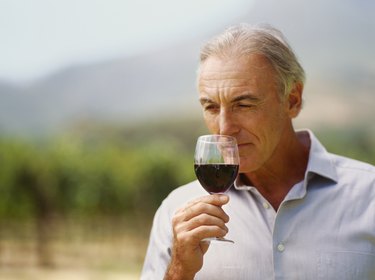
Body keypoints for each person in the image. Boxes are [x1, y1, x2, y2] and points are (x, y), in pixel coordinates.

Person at [141, 23, 375, 279]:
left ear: (292, 100)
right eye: (210, 107)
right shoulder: (176, 211)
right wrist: (179, 270)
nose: (224, 128)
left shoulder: (369, 196)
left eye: (243, 104)